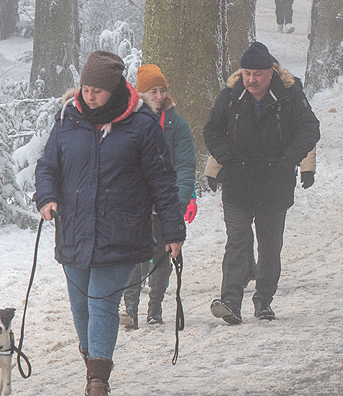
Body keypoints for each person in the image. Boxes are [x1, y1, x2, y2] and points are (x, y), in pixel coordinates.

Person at [34, 51, 186, 396]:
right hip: (73, 231)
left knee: (102, 302)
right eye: (86, 88)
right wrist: (47, 197)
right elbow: (47, 167)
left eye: (97, 90)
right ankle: (93, 362)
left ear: (115, 88)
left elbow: (162, 180)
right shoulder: (67, 119)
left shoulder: (141, 125)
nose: (89, 96)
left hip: (122, 231)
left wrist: (174, 230)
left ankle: (97, 379)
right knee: (80, 308)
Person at [204, 42, 321, 324]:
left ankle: (263, 300)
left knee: (269, 246)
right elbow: (211, 131)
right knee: (237, 242)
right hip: (237, 182)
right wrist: (225, 159)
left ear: (271, 72)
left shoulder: (290, 96)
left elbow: (310, 130)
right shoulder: (230, 97)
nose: (252, 80)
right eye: (247, 73)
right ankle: (230, 300)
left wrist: (288, 159)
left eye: (257, 73)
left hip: (274, 183)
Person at [120, 65, 196, 330]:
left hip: (167, 201)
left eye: (163, 90)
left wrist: (182, 199)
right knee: (133, 256)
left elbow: (186, 165)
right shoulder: (127, 121)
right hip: (135, 202)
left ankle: (155, 306)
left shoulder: (178, 125)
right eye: (154, 90)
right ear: (141, 93)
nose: (160, 95)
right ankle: (129, 308)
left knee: (163, 254)